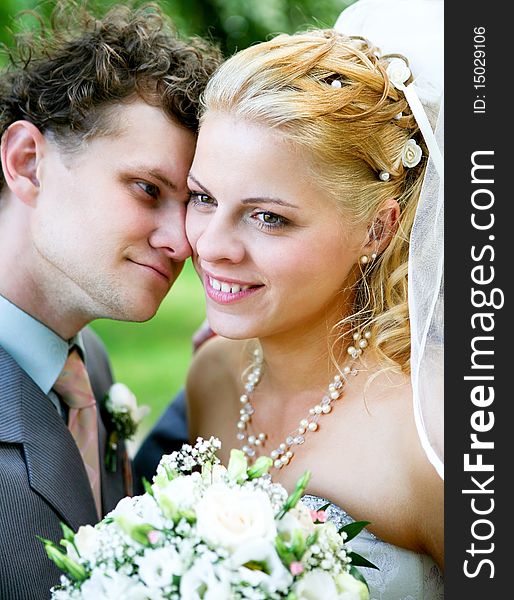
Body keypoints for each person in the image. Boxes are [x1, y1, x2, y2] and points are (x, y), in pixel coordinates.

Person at [183, 4, 444, 599]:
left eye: (268, 218)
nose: (213, 245)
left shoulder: (433, 430)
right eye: (202, 198)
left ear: (377, 230)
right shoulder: (212, 378)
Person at [0, 3, 219, 597]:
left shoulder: (84, 361)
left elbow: (105, 527)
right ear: (28, 163)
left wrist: (218, 392)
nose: (181, 242)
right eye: (148, 190)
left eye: (194, 203)